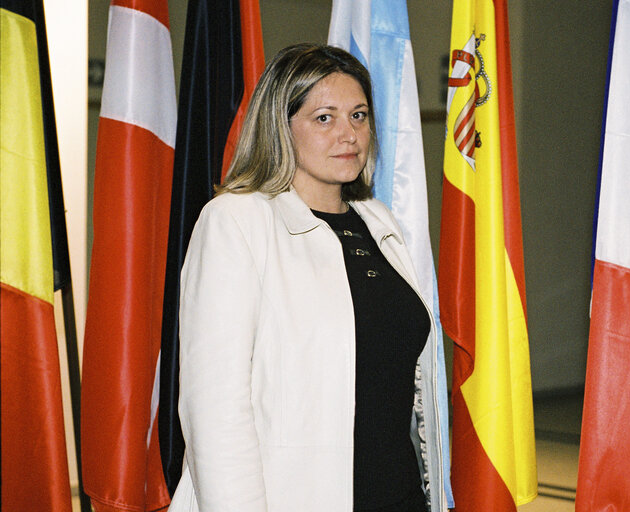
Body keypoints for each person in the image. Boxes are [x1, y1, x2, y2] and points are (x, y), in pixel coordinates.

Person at [167, 43, 447, 512]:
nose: (348, 134)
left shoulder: (378, 222)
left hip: (398, 493)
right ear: (281, 126)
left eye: (358, 116)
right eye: (324, 118)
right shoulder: (237, 221)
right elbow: (213, 411)